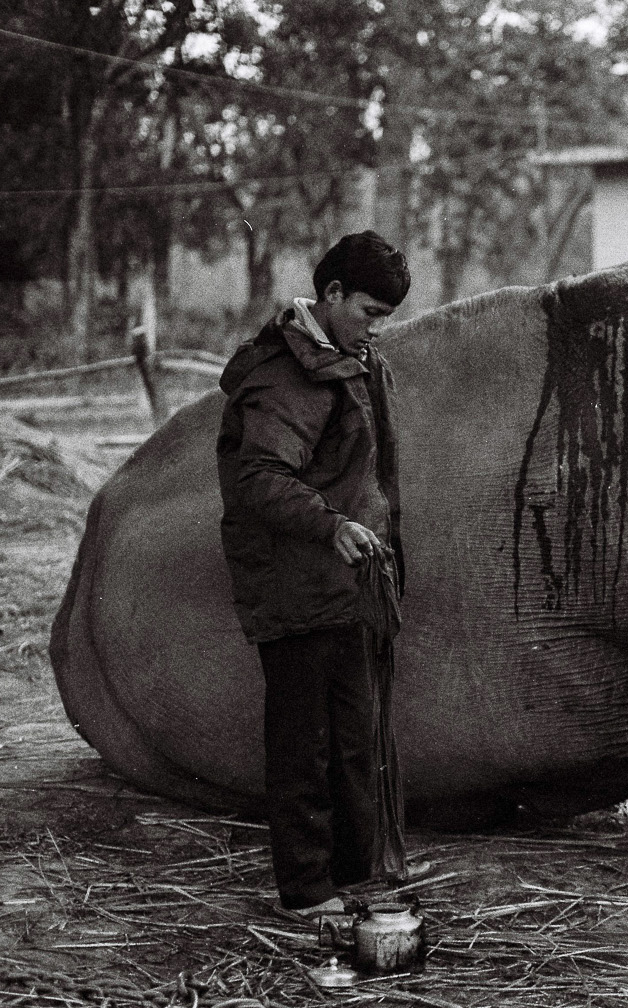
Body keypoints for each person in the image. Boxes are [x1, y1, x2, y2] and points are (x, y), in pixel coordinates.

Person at [216, 231, 425, 918]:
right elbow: (259, 476)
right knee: (303, 745)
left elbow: (367, 473)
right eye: (368, 311)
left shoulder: (350, 358)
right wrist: (331, 526)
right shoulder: (286, 374)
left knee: (352, 735)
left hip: (347, 582)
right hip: (295, 582)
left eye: (384, 318)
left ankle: (351, 875)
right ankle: (305, 892)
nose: (375, 329)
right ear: (331, 295)